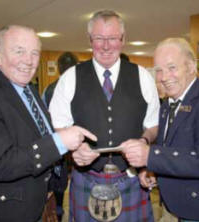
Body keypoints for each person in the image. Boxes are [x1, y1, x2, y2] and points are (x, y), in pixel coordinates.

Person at [0, 25, 97, 222]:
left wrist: (72, 150)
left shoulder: (29, 89)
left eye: (34, 53)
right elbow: (1, 164)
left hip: (44, 201)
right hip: (11, 212)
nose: (28, 60)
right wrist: (59, 142)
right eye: (19, 51)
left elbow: (39, 136)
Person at [49, 10, 160, 222]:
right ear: (90, 40)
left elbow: (153, 125)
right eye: (99, 38)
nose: (106, 46)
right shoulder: (70, 77)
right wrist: (75, 148)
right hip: (86, 180)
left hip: (130, 179)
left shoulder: (143, 77)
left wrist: (144, 141)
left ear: (123, 39)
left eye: (112, 38)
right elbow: (57, 126)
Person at [122, 38, 199, 222]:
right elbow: (171, 148)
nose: (164, 77)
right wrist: (153, 171)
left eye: (172, 67)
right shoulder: (167, 105)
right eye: (159, 70)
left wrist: (150, 157)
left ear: (191, 67)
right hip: (171, 208)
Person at [43, 51, 79, 222]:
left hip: (56, 146)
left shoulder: (49, 89)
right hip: (78, 144)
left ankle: (57, 211)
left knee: (57, 183)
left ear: (58, 68)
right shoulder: (82, 87)